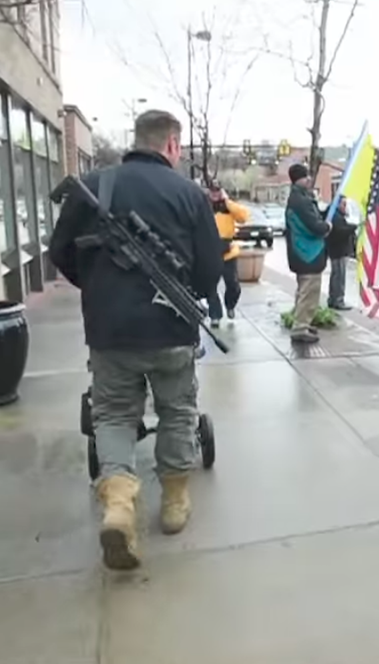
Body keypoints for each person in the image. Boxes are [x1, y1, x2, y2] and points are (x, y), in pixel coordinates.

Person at [49, 109, 223, 570]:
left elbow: (59, 252)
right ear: (171, 145)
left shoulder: (97, 185)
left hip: (110, 332)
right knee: (178, 409)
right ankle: (173, 502)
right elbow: (209, 271)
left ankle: (120, 504)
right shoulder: (189, 194)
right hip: (171, 330)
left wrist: (99, 288)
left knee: (113, 415)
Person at [284, 162, 331, 344]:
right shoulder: (301, 201)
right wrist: (326, 227)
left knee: (303, 290)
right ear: (299, 179)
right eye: (306, 176)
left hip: (301, 254)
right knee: (309, 292)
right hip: (307, 254)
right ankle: (300, 327)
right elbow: (314, 225)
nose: (309, 179)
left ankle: (302, 322)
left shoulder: (298, 199)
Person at [206, 185, 249, 326]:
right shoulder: (204, 206)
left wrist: (227, 201)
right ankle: (215, 315)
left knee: (233, 284)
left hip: (228, 252)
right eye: (213, 191)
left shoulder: (228, 207)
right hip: (210, 251)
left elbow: (243, 217)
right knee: (210, 286)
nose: (215, 194)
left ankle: (230, 305)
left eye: (218, 191)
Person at [326, 195, 356, 311]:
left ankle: (333, 298)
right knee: (339, 275)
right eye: (343, 204)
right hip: (338, 251)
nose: (345, 207)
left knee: (336, 275)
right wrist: (352, 228)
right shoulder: (335, 216)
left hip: (338, 250)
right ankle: (338, 299)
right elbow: (339, 231)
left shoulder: (337, 215)